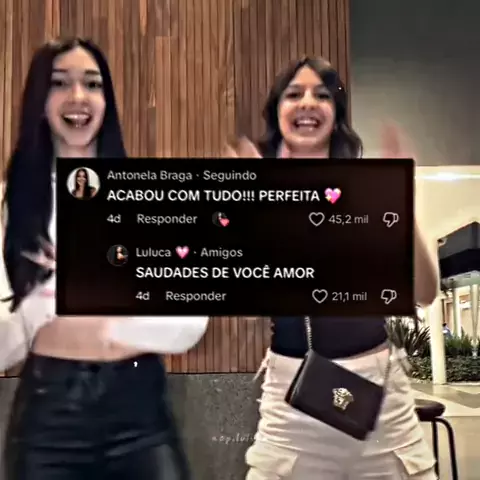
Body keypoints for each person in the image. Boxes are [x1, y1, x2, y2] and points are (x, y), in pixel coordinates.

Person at [0, 37, 209, 480]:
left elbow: (191, 321)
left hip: (141, 414)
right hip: (49, 418)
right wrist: (39, 308)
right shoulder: (11, 204)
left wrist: (108, 320)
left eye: (92, 84)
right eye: (60, 83)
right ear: (39, 101)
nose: (78, 97)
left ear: (107, 100)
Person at [227, 57, 438, 479]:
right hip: (291, 406)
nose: (308, 102)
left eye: (322, 95)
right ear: (278, 111)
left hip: (381, 406)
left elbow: (425, 292)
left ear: (335, 114)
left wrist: (401, 202)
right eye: (294, 94)